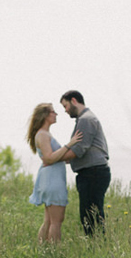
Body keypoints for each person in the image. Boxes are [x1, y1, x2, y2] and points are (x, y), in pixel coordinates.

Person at [26, 102, 81, 243]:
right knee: (56, 221)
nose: (56, 114)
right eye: (53, 112)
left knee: (49, 220)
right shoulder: (43, 135)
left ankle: (43, 250)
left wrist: (64, 156)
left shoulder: (44, 134)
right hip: (52, 180)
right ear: (45, 115)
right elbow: (49, 158)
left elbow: (52, 157)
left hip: (50, 179)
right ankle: (54, 253)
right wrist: (70, 144)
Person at [60, 89, 110, 236]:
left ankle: (97, 246)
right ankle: (97, 246)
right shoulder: (84, 119)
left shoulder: (86, 119)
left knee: (90, 215)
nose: (65, 110)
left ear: (74, 100)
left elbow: (79, 149)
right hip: (91, 173)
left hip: (93, 173)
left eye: (65, 106)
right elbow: (80, 150)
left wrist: (53, 158)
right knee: (89, 213)